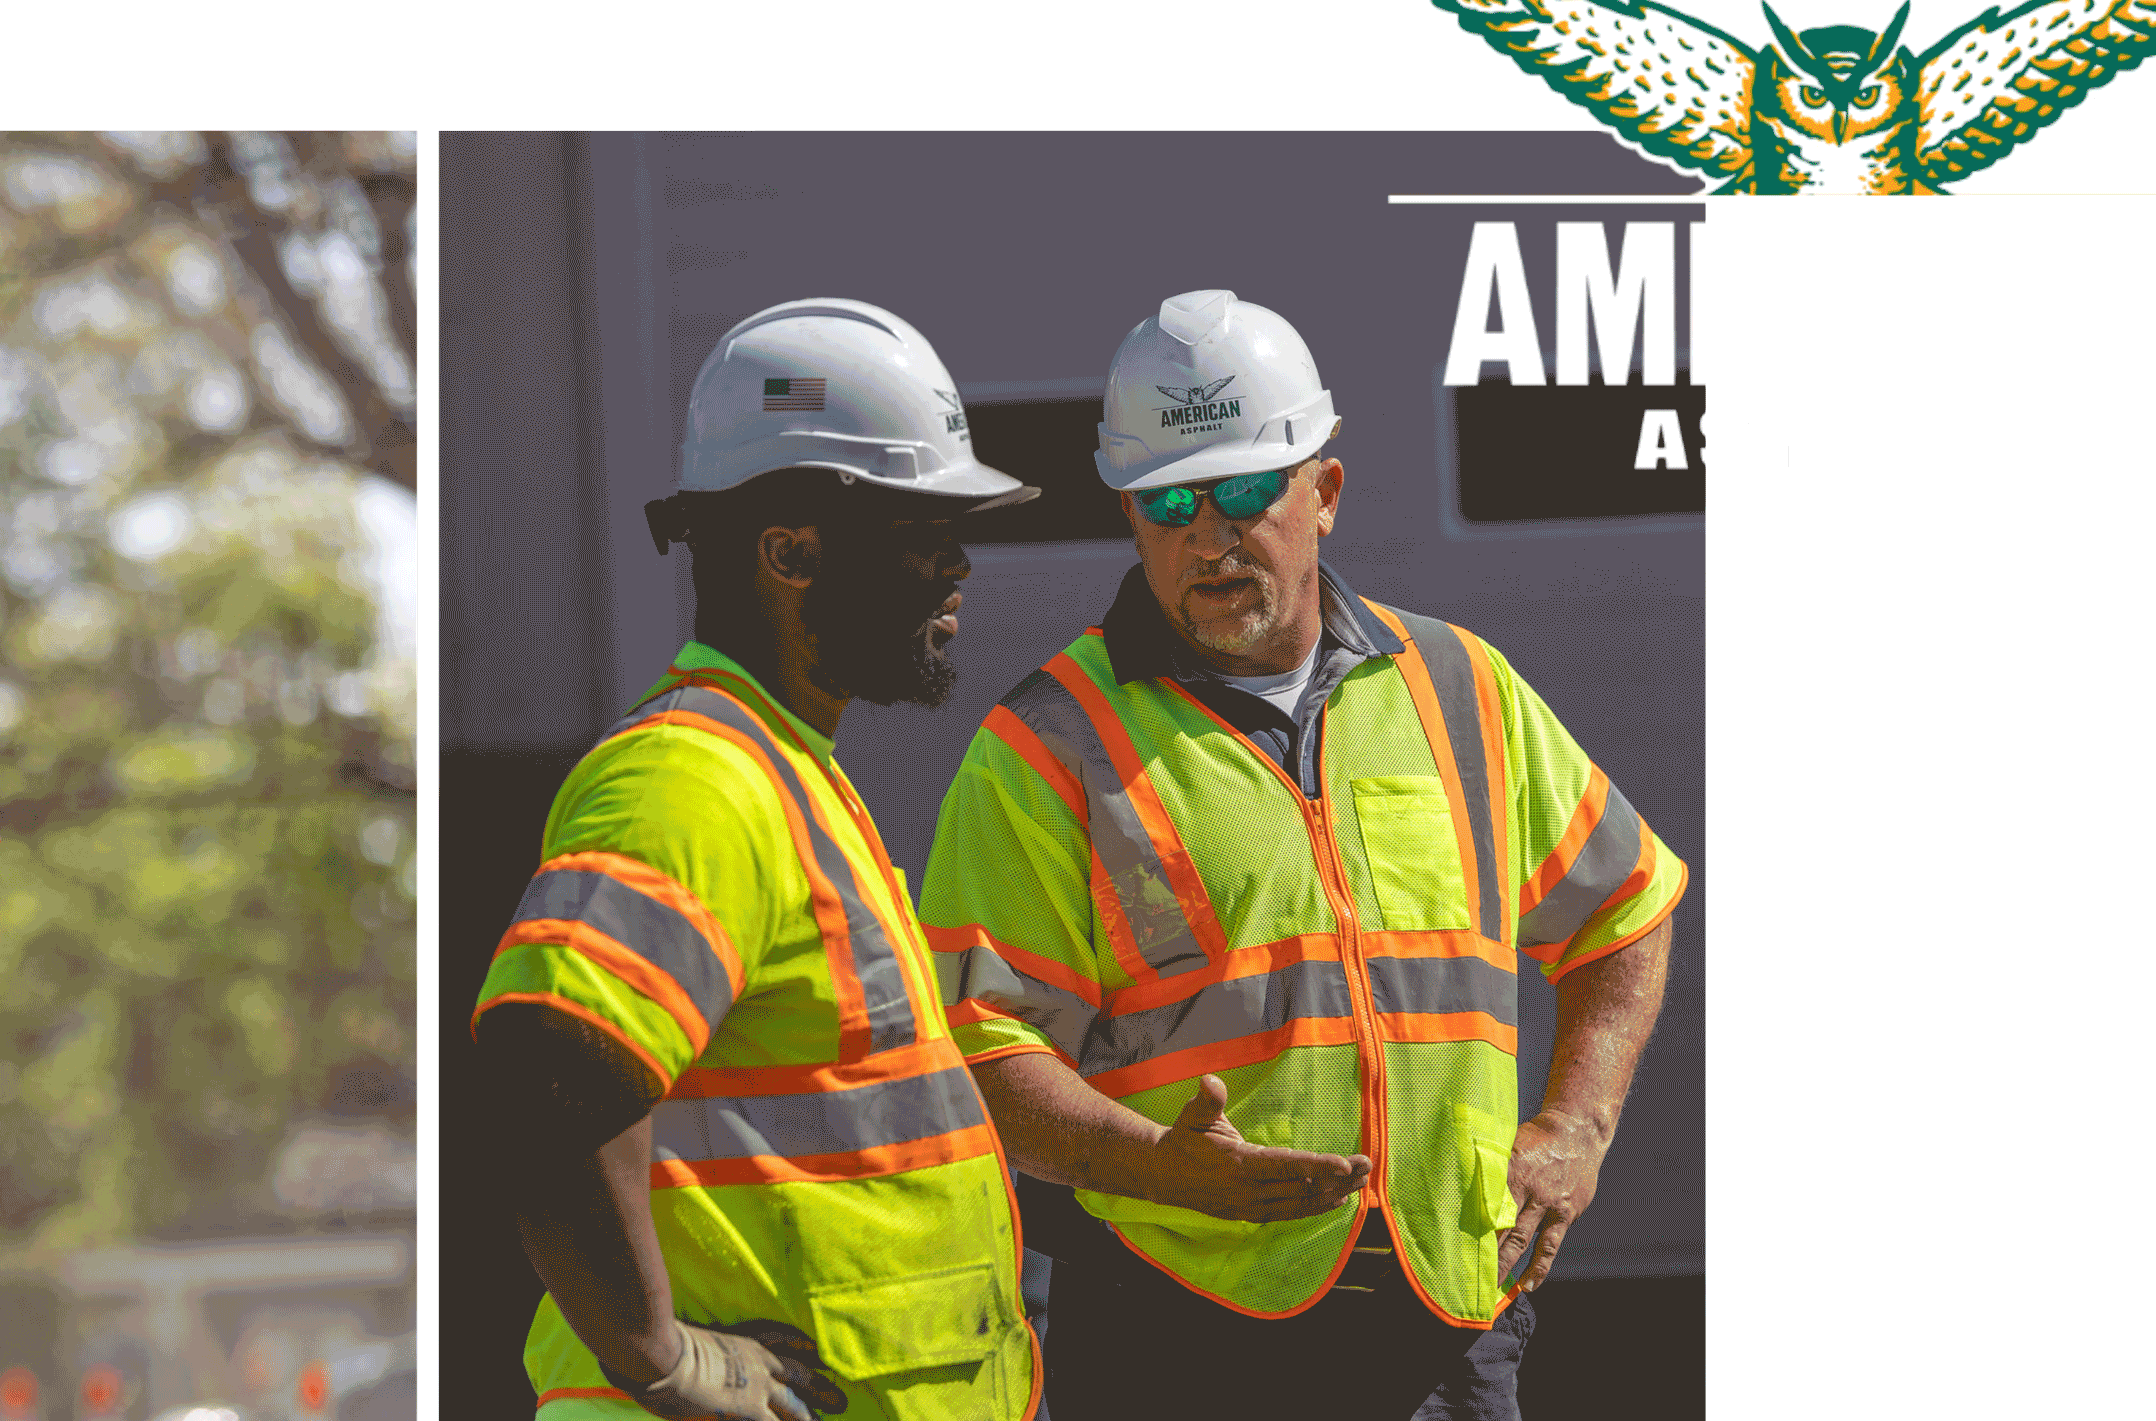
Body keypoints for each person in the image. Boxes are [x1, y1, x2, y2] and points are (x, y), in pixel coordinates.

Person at [917, 290, 1683, 1418]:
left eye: (1239, 492)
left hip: (1448, 1322)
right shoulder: (1046, 745)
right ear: (1130, 517)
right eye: (1168, 501)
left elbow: (1622, 907)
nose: (1207, 536)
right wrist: (1152, 1166)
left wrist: (1575, 1128)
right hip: (1181, 1332)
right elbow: (982, 1048)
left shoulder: (1459, 687)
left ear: (1320, 493)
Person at [470, 299, 1043, 1421]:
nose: (957, 567)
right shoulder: (690, 780)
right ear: (790, 553)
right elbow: (551, 1082)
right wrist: (662, 1363)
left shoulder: (787, 773)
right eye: (923, 531)